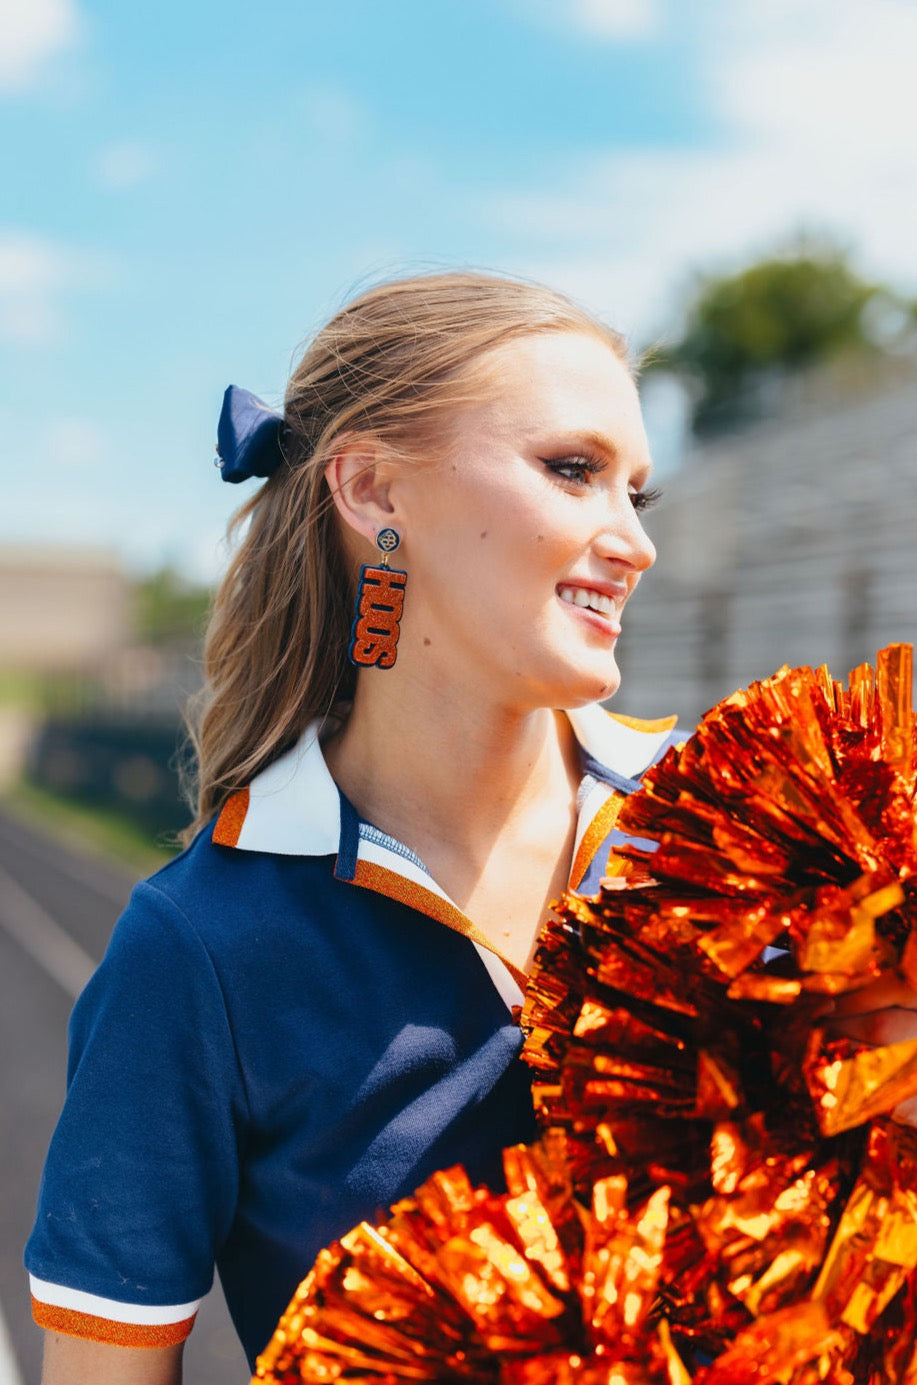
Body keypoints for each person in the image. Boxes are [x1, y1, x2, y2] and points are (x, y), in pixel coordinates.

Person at [22, 269, 699, 1383]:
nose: (631, 540)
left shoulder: (726, 833)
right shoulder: (199, 948)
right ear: (373, 488)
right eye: (572, 471)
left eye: (637, 491)